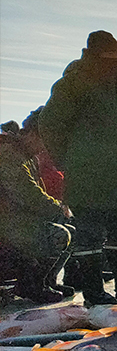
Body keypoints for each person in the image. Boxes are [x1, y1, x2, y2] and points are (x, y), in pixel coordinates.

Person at [39, 31, 117, 304]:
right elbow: (49, 124)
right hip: (88, 176)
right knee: (89, 234)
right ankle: (94, 291)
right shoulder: (72, 84)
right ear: (93, 55)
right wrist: (68, 160)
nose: (115, 63)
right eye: (109, 58)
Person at [0, 119, 73, 303]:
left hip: (14, 223)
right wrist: (59, 209)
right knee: (58, 234)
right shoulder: (9, 155)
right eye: (43, 141)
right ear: (32, 135)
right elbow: (27, 194)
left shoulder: (25, 155)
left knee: (67, 228)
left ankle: (44, 281)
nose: (44, 148)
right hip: (7, 228)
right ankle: (30, 286)